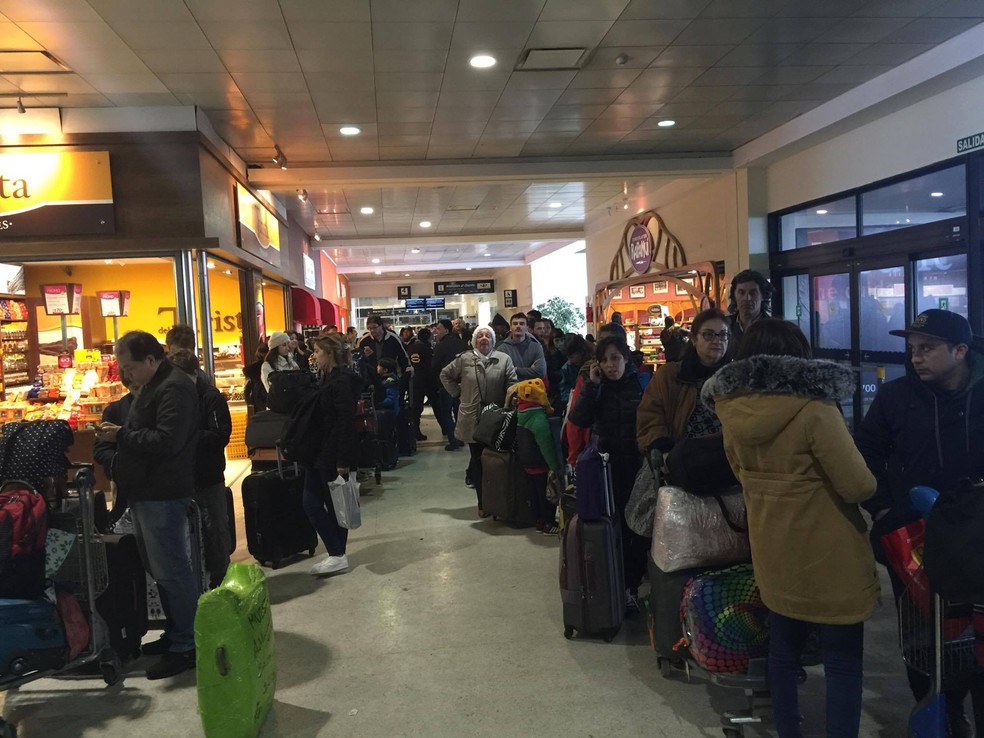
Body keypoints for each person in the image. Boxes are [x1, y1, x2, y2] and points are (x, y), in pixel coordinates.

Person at [702, 319, 878, 738]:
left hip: (773, 550)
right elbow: (857, 485)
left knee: (782, 651)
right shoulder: (815, 409)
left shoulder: (731, 410)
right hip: (830, 556)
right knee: (842, 660)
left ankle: (788, 730)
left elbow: (740, 473)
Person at [855, 309, 984, 736]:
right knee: (923, 634)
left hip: (976, 536)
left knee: (976, 631)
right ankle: (941, 712)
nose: (915, 357)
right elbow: (865, 452)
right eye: (912, 349)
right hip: (913, 536)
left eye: (927, 348)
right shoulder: (896, 397)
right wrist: (883, 509)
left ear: (960, 351)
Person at [93, 331, 200, 680]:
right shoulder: (155, 385)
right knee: (160, 569)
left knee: (172, 570)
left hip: (163, 492)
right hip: (147, 491)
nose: (126, 375)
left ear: (151, 360)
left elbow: (167, 441)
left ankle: (187, 644)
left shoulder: (173, 388)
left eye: (129, 368)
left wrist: (121, 435)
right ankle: (176, 633)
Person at [568, 335, 649, 611]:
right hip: (607, 470)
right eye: (604, 360)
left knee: (638, 528)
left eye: (615, 358)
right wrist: (592, 386)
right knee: (615, 528)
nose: (610, 365)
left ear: (626, 358)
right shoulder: (598, 387)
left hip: (639, 470)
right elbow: (578, 419)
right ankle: (620, 586)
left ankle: (633, 583)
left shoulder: (643, 384)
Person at [169, 349, 232, 589]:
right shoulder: (174, 398)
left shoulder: (210, 397)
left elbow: (220, 435)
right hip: (182, 477)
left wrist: (186, 435)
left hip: (208, 474)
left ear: (194, 373)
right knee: (190, 532)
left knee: (215, 527)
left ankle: (221, 580)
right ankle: (199, 580)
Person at [440, 327, 517, 517]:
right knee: (477, 460)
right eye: (480, 336)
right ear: (474, 340)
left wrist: (510, 400)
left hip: (496, 419)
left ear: (493, 340)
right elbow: (445, 375)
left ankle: (499, 503)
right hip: (472, 417)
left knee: (497, 461)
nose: (484, 338)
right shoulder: (464, 359)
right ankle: (483, 503)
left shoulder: (503, 359)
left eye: (488, 336)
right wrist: (458, 394)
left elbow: (512, 382)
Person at [305, 334, 363, 576]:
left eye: (318, 351)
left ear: (329, 354)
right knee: (315, 502)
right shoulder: (327, 378)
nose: (314, 356)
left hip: (331, 452)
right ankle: (337, 553)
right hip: (320, 449)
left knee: (331, 504)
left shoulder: (341, 382)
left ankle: (337, 554)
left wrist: (342, 459)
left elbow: (344, 422)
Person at [637, 308, 731, 454]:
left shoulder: (736, 376)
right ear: (694, 339)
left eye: (723, 334)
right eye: (708, 335)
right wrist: (663, 447)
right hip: (684, 457)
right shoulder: (670, 375)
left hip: (731, 458)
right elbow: (649, 416)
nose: (717, 341)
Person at [515, 378, 562, 535]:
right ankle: (549, 524)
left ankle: (539, 522)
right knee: (546, 495)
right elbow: (546, 445)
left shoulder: (521, 413)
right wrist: (554, 466)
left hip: (527, 462)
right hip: (540, 463)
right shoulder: (537, 418)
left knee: (534, 493)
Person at [431, 318, 467, 451]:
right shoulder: (462, 344)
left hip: (445, 385)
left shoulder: (440, 346)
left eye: (439, 329)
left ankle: (453, 440)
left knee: (446, 414)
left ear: (446, 330)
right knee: (459, 412)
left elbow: (435, 366)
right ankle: (460, 438)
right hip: (462, 384)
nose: (436, 331)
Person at [726, 269, 772, 354]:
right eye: (741, 293)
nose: (747, 298)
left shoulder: (774, 329)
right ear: (734, 296)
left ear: (763, 296)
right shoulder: (725, 325)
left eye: (753, 293)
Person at [359, 315, 411, 384]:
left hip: (391, 378)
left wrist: (404, 374)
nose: (372, 330)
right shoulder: (364, 340)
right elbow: (358, 361)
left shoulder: (393, 338)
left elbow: (403, 357)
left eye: (375, 327)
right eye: (369, 328)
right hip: (371, 379)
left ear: (381, 326)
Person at [495, 313, 545, 380]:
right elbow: (500, 374)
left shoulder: (536, 347)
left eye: (522, 324)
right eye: (515, 324)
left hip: (532, 386)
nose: (518, 326)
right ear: (511, 327)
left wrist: (515, 369)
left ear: (527, 327)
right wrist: (531, 370)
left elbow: (541, 372)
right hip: (511, 386)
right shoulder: (502, 349)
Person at [406, 328, 434, 442]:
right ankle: (446, 429)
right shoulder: (427, 348)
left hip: (413, 379)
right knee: (436, 406)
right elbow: (430, 365)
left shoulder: (410, 347)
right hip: (426, 380)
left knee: (416, 407)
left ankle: (414, 431)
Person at [534, 317, 564, 412]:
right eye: (541, 328)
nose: (544, 330)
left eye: (547, 327)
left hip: (555, 388)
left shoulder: (557, 349)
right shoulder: (536, 346)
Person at [558, 334, 589, 412]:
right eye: (568, 357)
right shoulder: (566, 368)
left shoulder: (591, 365)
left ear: (581, 352)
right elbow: (564, 389)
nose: (570, 361)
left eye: (572, 357)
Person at [243, 342, 268, 410]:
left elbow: (247, 390)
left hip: (258, 403)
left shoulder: (253, 370)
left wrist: (250, 402)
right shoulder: (271, 366)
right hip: (267, 401)